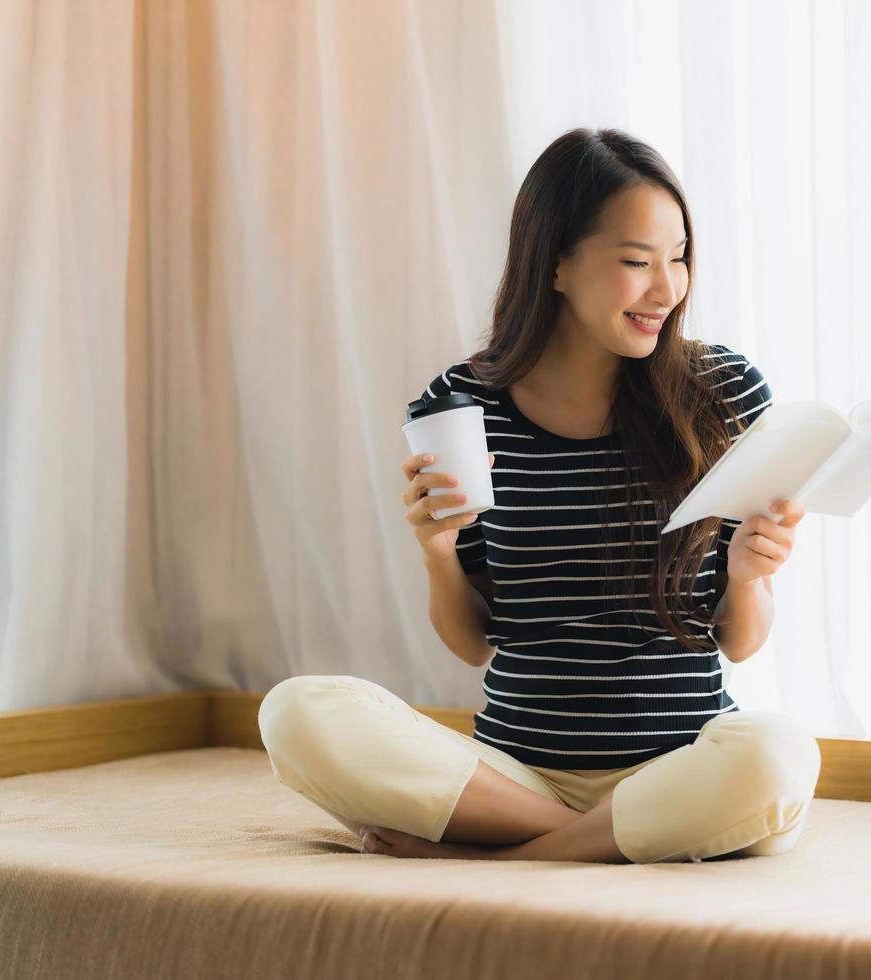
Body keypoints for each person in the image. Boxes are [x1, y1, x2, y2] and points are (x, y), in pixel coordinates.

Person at [259, 127, 821, 864]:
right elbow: (470, 642)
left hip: (682, 766)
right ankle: (589, 840)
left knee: (775, 757)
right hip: (516, 770)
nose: (668, 289)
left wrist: (751, 576)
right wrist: (436, 554)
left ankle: (505, 856)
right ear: (556, 262)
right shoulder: (462, 406)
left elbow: (740, 643)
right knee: (297, 714)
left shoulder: (722, 392)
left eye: (679, 259)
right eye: (635, 262)